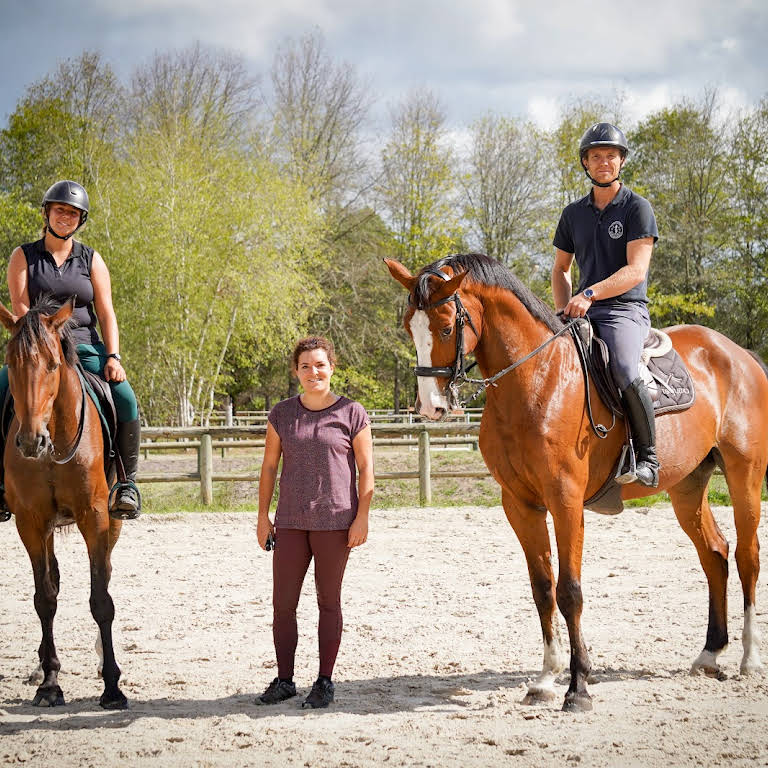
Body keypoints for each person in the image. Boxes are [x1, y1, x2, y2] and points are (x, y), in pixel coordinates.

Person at [0, 180, 141, 522]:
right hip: (38, 348)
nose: (66, 217)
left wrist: (113, 357)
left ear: (80, 220)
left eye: (73, 213)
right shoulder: (24, 256)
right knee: (1, 388)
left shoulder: (91, 259)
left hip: (84, 347)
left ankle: (126, 483)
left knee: (125, 397)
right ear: (47, 213)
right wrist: (36, 348)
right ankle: (1, 485)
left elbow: (106, 312)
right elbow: (20, 310)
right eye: (60, 209)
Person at [256, 336, 373, 709]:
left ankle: (324, 681)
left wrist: (362, 518)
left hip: (336, 520)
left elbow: (367, 469)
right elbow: (270, 467)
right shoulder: (282, 414)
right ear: (296, 371)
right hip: (290, 520)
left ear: (332, 367)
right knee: (282, 604)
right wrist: (263, 516)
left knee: (328, 602)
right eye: (305, 366)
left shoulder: (353, 413)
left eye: (319, 364)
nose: (313, 372)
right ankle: (285, 679)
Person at [552, 122, 660, 487]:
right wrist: (564, 308)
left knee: (626, 367)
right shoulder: (572, 214)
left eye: (610, 156)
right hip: (582, 309)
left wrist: (589, 294)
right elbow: (561, 269)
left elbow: (636, 270)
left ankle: (648, 457)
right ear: (585, 163)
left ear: (621, 162)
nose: (603, 162)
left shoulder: (637, 208)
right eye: (596, 156)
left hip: (625, 309)